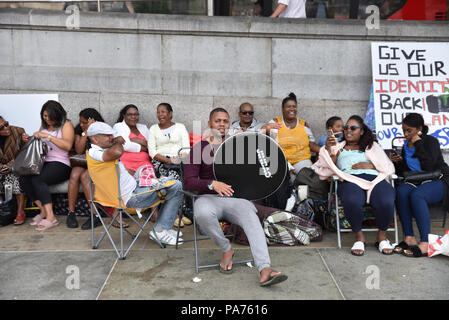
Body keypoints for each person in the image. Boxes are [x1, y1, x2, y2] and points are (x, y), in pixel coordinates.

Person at [183, 107, 288, 287]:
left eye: (225, 121)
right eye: (218, 121)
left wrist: (265, 134)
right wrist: (211, 184)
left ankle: (264, 268)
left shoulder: (237, 143)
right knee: (202, 213)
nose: (222, 124)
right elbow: (189, 182)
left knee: (250, 216)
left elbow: (258, 158)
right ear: (209, 124)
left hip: (235, 198)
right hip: (209, 197)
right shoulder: (199, 148)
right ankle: (226, 249)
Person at [87, 122, 184, 246]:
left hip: (133, 189)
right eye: (107, 136)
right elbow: (117, 152)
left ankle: (164, 228)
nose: (111, 137)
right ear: (95, 139)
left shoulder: (99, 151)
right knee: (176, 186)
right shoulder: (95, 153)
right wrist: (118, 140)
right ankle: (160, 230)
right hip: (131, 198)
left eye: (111, 135)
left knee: (172, 183)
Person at [314, 115, 396, 256]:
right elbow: (328, 165)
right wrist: (328, 148)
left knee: (386, 200)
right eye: (346, 128)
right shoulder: (339, 148)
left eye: (353, 128)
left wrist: (371, 165)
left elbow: (386, 165)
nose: (348, 130)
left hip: (375, 178)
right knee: (352, 200)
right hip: (350, 179)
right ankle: (359, 237)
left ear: (362, 131)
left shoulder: (372, 147)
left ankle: (382, 236)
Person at [391, 113, 449, 258]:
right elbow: (407, 172)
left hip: (439, 179)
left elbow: (429, 166)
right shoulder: (406, 144)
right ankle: (409, 237)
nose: (405, 134)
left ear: (419, 129)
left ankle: (425, 243)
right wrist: (398, 162)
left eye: (409, 130)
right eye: (403, 130)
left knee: (417, 195)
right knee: (402, 192)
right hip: (417, 180)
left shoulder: (431, 141)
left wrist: (418, 143)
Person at [21, 100, 75, 231]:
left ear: (58, 114)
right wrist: (29, 139)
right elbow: (39, 143)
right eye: (45, 116)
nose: (47, 119)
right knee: (23, 177)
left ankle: (51, 218)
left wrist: (47, 136)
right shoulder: (44, 126)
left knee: (39, 179)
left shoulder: (66, 124)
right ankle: (43, 210)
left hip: (61, 163)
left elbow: (67, 145)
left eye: (50, 116)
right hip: (44, 162)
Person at [263, 92, 320, 179]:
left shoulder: (303, 124)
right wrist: (267, 127)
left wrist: (324, 149)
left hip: (301, 160)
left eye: (294, 106)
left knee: (309, 177)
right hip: (281, 161)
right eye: (288, 106)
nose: (292, 109)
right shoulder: (275, 122)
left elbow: (311, 145)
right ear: (283, 109)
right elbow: (261, 134)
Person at [66, 108, 105, 230]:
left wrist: (94, 130)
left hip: (98, 162)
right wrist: (86, 131)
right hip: (83, 161)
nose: (81, 124)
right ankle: (71, 213)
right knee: (74, 174)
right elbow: (78, 150)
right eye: (81, 122)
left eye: (84, 122)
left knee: (85, 176)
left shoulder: (103, 128)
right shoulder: (79, 129)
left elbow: (104, 147)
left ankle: (95, 215)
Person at [148, 103, 190, 181]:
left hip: (179, 159)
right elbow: (152, 152)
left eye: (163, 112)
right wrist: (168, 161)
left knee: (184, 169)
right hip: (160, 160)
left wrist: (178, 159)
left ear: (170, 113)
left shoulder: (180, 127)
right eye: (158, 112)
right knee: (168, 172)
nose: (160, 114)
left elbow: (186, 148)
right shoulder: (153, 129)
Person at [0, 117, 28, 225]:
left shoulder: (18, 131)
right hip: (2, 170)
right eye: (1, 127)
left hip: (16, 169)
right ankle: (3, 209)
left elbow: (26, 151)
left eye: (6, 124)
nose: (6, 128)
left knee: (12, 180)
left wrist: (24, 140)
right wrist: (3, 167)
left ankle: (20, 212)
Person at [113, 105, 151, 174]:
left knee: (147, 183)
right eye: (130, 114)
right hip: (126, 164)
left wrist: (138, 140)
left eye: (136, 114)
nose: (133, 117)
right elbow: (126, 145)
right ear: (124, 116)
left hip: (145, 163)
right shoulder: (119, 126)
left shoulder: (143, 127)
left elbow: (151, 145)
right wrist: (144, 147)